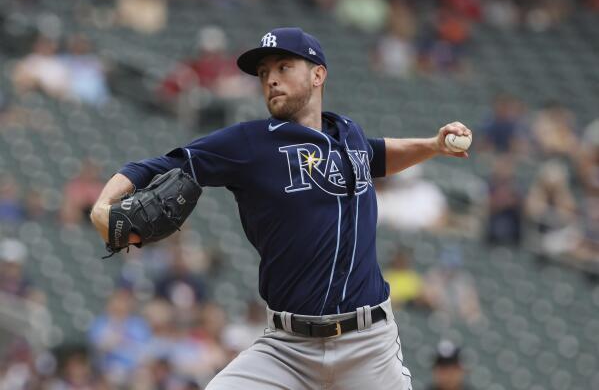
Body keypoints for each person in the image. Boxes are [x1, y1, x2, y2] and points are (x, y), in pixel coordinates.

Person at [90, 27, 472, 389]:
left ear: (318, 74)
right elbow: (154, 166)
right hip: (287, 348)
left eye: (284, 67)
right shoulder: (249, 143)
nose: (271, 79)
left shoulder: (348, 135)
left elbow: (378, 155)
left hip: (368, 346)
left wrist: (433, 145)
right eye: (263, 72)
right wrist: (104, 205)